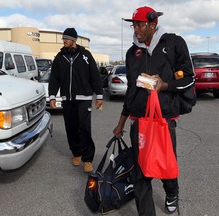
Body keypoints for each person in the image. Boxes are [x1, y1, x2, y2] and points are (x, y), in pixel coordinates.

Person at [113, 6, 195, 216]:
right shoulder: (133, 52)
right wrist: (121, 122)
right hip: (138, 120)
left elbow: (189, 78)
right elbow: (131, 89)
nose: (135, 29)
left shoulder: (174, 43)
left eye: (139, 25)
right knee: (141, 172)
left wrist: (165, 85)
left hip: (164, 120)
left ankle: (172, 193)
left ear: (152, 24)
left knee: (165, 165)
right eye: (133, 25)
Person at [49, 27, 103, 173]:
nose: (64, 41)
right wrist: (52, 96)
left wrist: (99, 95)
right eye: (63, 38)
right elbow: (54, 78)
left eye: (66, 38)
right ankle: (76, 153)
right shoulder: (60, 58)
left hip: (84, 98)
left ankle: (88, 159)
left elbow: (94, 76)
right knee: (71, 128)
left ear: (73, 40)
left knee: (84, 129)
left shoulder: (85, 55)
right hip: (67, 99)